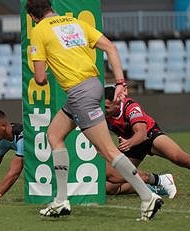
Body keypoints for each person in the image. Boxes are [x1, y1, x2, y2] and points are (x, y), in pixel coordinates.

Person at [26, 0, 163, 221]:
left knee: (108, 150)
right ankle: (61, 200)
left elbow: (40, 78)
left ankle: (148, 197)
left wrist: (48, 70)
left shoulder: (39, 30)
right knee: (54, 135)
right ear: (51, 8)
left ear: (33, 16)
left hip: (80, 93)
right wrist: (120, 82)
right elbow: (111, 47)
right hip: (92, 86)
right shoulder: (74, 22)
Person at [104, 86, 190, 197]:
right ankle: (153, 188)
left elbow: (141, 133)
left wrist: (128, 143)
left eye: (107, 107)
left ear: (117, 102)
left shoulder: (130, 107)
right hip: (132, 145)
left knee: (181, 159)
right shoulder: (104, 114)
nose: (104, 110)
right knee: (110, 187)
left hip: (149, 136)